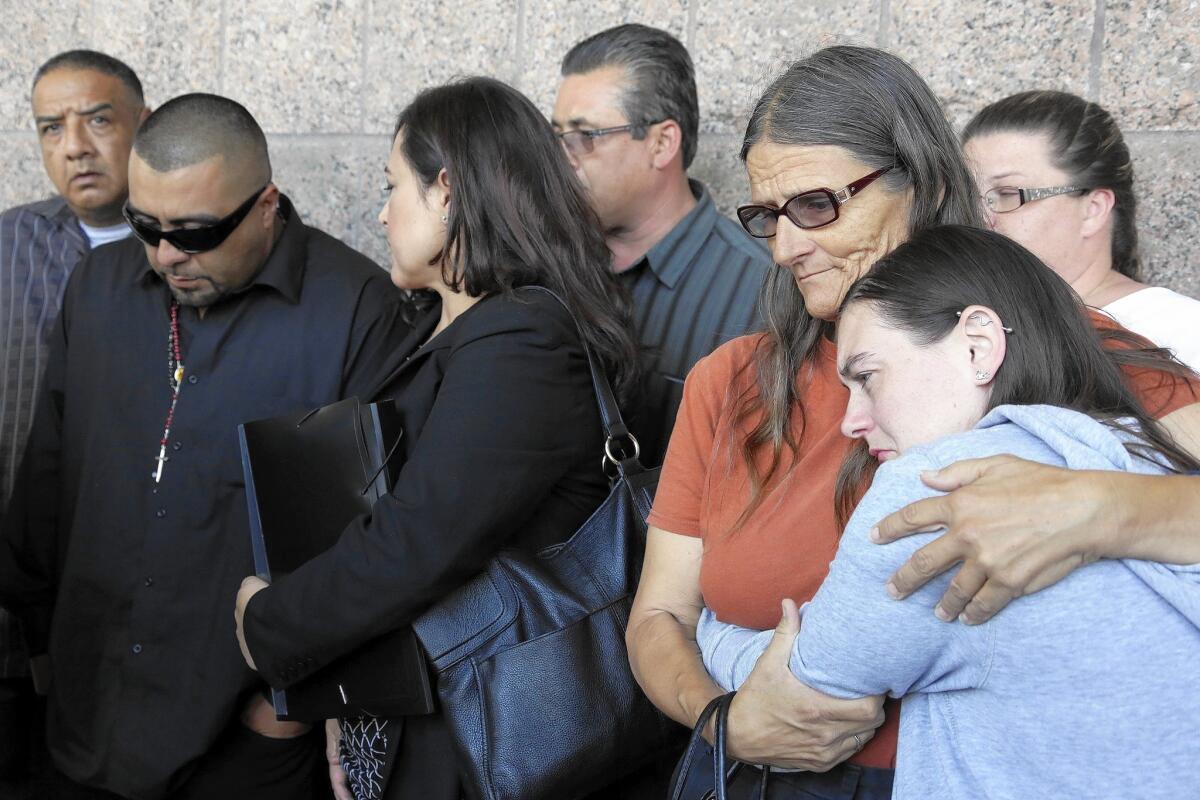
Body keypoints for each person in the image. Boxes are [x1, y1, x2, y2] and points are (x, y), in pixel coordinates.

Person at [627, 46, 1200, 800]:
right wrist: (723, 718)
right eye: (768, 216)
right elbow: (660, 614)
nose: (788, 246)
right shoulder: (732, 380)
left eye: (818, 204)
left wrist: (1097, 508)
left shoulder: (1083, 350)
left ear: (921, 183)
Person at [233, 76, 640, 800]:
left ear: (447, 191)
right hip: (424, 709)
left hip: (486, 721)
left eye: (394, 187)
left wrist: (269, 624)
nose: (383, 215)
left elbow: (419, 540)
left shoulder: (522, 339)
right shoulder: (450, 324)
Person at [0, 92, 413, 799]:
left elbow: (379, 540)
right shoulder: (98, 287)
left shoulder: (356, 308)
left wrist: (281, 712)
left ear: (265, 206)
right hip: (83, 715)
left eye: (195, 232)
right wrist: (40, 649)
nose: (166, 255)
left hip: (243, 743)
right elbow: (49, 480)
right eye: (145, 225)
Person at [696, 224, 1200, 799]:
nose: (850, 422)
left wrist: (709, 628)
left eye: (866, 377)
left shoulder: (940, 489)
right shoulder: (1147, 447)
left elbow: (804, 695)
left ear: (977, 346)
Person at [0, 49, 148, 796]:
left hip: (144, 608)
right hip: (14, 602)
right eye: (50, 128)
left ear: (143, 125)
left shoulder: (206, 248)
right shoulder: (7, 246)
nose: (74, 147)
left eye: (97, 121)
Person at [553, 23, 769, 465]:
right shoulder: (547, 265)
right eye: (555, 135)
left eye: (584, 136)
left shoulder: (761, 291)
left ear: (662, 143)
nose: (562, 156)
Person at [962, 89, 1200, 371]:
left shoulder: (1181, 333)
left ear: (1094, 209)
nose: (981, 217)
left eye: (1008, 193)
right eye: (968, 196)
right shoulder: (969, 330)